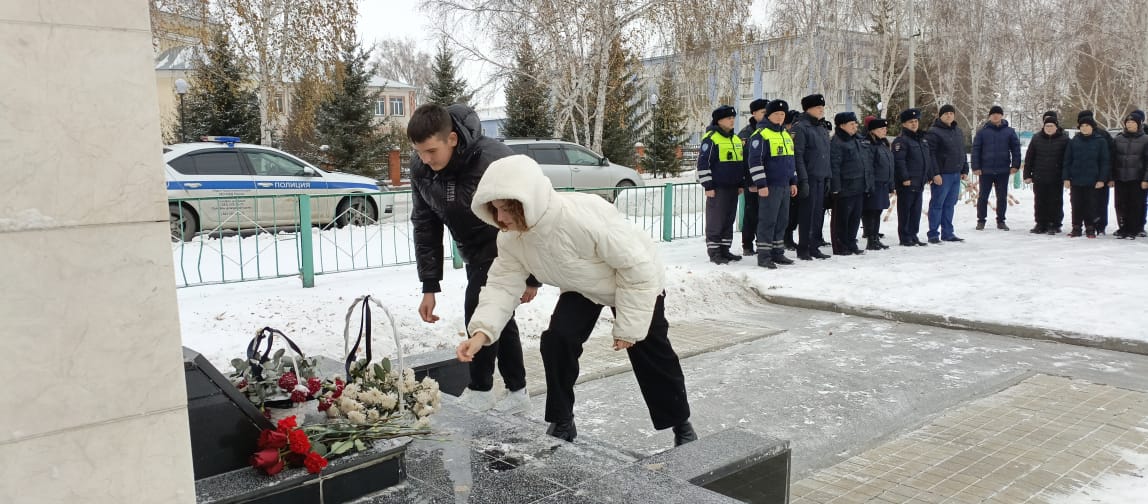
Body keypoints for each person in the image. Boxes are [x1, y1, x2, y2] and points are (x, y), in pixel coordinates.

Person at [456, 154, 697, 447]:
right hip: (583, 285)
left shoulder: (580, 218)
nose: (500, 218)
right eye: (495, 209)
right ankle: (562, 420)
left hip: (636, 279)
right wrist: (481, 334)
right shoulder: (512, 239)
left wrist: (629, 329)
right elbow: (501, 287)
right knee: (558, 341)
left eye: (506, 209)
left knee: (651, 352)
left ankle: (681, 426)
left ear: (528, 201)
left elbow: (637, 267)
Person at [407, 103, 537, 414]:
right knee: (498, 317)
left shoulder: (491, 159)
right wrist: (429, 285)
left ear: (452, 139)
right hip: (473, 251)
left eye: (431, 151)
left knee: (478, 311)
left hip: (505, 246)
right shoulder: (421, 168)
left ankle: (481, 389)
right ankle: (517, 391)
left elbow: (531, 211)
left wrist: (532, 276)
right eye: (419, 152)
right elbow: (425, 224)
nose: (425, 159)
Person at [747, 99, 798, 269]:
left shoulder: (785, 135)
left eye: (782, 114)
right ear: (768, 115)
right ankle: (764, 255)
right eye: (776, 114)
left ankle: (778, 252)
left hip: (784, 186)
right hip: (770, 186)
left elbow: (791, 161)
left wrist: (793, 181)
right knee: (767, 221)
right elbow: (755, 162)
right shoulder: (761, 135)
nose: (780, 117)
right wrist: (761, 184)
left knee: (782, 220)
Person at [698, 105, 745, 264]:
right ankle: (714, 252)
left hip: (733, 188)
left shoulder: (736, 139)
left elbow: (740, 164)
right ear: (719, 120)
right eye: (728, 118)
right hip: (717, 188)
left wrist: (741, 183)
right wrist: (708, 186)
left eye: (733, 118)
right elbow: (703, 164)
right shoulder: (711, 139)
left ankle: (725, 250)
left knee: (728, 220)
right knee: (716, 220)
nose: (732, 121)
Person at [792, 94, 833, 260]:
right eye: (818, 107)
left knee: (817, 215)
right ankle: (804, 248)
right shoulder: (801, 127)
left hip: (821, 177)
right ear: (808, 109)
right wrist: (803, 180)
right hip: (808, 177)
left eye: (822, 107)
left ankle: (814, 246)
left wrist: (828, 176)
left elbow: (826, 154)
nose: (821, 110)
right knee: (807, 215)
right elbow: (798, 155)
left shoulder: (821, 128)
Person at [971, 105, 1022, 230]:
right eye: (993, 114)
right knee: (983, 197)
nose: (995, 116)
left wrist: (1015, 165)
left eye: (998, 114)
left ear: (1002, 116)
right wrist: (976, 166)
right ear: (990, 116)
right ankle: (981, 220)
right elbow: (976, 150)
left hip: (1003, 170)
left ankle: (1001, 221)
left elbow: (1016, 149)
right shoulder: (982, 132)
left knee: (1002, 197)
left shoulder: (1009, 132)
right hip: (985, 170)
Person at [924, 104, 969, 243]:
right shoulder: (934, 132)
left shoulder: (957, 131)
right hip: (942, 174)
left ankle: (948, 232)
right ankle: (933, 234)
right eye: (946, 113)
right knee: (937, 204)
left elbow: (962, 151)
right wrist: (935, 173)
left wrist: (964, 169)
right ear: (940, 116)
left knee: (950, 204)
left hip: (955, 173)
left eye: (951, 113)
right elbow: (930, 154)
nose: (949, 116)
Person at [829, 111, 872, 255]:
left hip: (859, 186)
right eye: (851, 124)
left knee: (855, 218)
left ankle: (851, 243)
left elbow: (865, 162)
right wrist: (835, 187)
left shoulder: (857, 139)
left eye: (855, 123)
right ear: (842, 126)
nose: (855, 126)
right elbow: (834, 166)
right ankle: (840, 246)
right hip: (845, 187)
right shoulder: (837, 142)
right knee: (842, 219)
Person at [1063, 115, 1111, 238]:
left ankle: (1090, 228)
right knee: (1076, 204)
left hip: (1093, 180)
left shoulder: (1100, 141)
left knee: (1091, 205)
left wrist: (1102, 179)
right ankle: (1076, 227)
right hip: (1076, 179)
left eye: (1087, 125)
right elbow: (1067, 160)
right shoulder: (1074, 141)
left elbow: (1104, 162)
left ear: (1092, 127)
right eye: (1082, 126)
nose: (1084, 128)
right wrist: (1066, 178)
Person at [893, 108, 935, 246]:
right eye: (910, 122)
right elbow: (899, 161)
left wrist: (929, 175)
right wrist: (905, 178)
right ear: (904, 124)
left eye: (916, 121)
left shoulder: (921, 139)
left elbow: (927, 159)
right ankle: (905, 237)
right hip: (908, 182)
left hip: (919, 181)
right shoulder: (901, 141)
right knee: (905, 211)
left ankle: (913, 234)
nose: (914, 124)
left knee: (916, 211)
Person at [1023, 112, 1069, 234]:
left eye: (1051, 126)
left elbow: (1068, 159)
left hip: (1056, 177)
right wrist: (1027, 174)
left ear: (1056, 127)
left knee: (1055, 201)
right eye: (1047, 126)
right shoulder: (1036, 138)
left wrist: (1066, 176)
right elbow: (1029, 157)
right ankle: (1040, 223)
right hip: (1039, 176)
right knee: (1040, 201)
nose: (1049, 128)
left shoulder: (1064, 139)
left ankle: (1054, 224)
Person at [1111, 110, 1148, 239]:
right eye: (1128, 122)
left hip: (1137, 178)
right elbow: (1113, 159)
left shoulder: (1145, 139)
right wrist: (1111, 177)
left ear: (1139, 124)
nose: (1130, 124)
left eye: (1133, 122)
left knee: (1135, 205)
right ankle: (1123, 228)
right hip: (1121, 177)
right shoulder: (1118, 138)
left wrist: (1146, 179)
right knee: (1121, 204)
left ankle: (1134, 229)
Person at [739, 98, 769, 255]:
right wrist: (750, 182)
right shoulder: (746, 134)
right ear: (754, 113)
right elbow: (744, 160)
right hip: (752, 182)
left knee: (764, 214)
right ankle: (747, 244)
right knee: (752, 214)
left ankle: (763, 243)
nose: (766, 115)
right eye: (763, 112)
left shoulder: (770, 130)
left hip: (767, 180)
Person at [1078, 111, 1116, 235]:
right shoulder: (1078, 137)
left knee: (1100, 202)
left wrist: (1109, 176)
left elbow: (1110, 157)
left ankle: (1100, 226)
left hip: (1101, 175)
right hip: (1085, 176)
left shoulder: (1103, 135)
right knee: (1087, 202)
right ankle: (1090, 225)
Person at [862, 117, 895, 250]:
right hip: (874, 183)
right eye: (881, 129)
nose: (884, 131)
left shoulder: (883, 144)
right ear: (873, 131)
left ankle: (875, 237)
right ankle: (871, 239)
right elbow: (869, 167)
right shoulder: (870, 145)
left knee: (877, 211)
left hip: (883, 183)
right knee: (871, 212)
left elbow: (889, 165)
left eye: (885, 128)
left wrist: (891, 184)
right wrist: (870, 185)